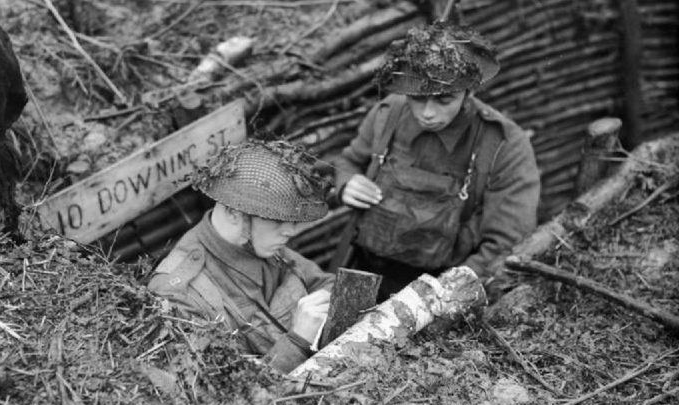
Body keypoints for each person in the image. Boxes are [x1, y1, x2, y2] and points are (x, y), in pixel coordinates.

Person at [332, 22, 541, 302]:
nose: (428, 113)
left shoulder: (504, 144)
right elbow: (348, 161)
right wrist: (347, 183)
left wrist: (441, 298)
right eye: (418, 98)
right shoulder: (388, 113)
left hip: (442, 288)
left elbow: (506, 244)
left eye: (444, 99)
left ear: (470, 92)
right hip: (365, 271)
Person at [148, 139, 334, 373]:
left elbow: (327, 284)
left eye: (293, 221)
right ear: (235, 213)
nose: (290, 231)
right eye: (277, 220)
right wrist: (297, 342)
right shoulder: (178, 294)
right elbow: (221, 392)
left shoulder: (260, 243)